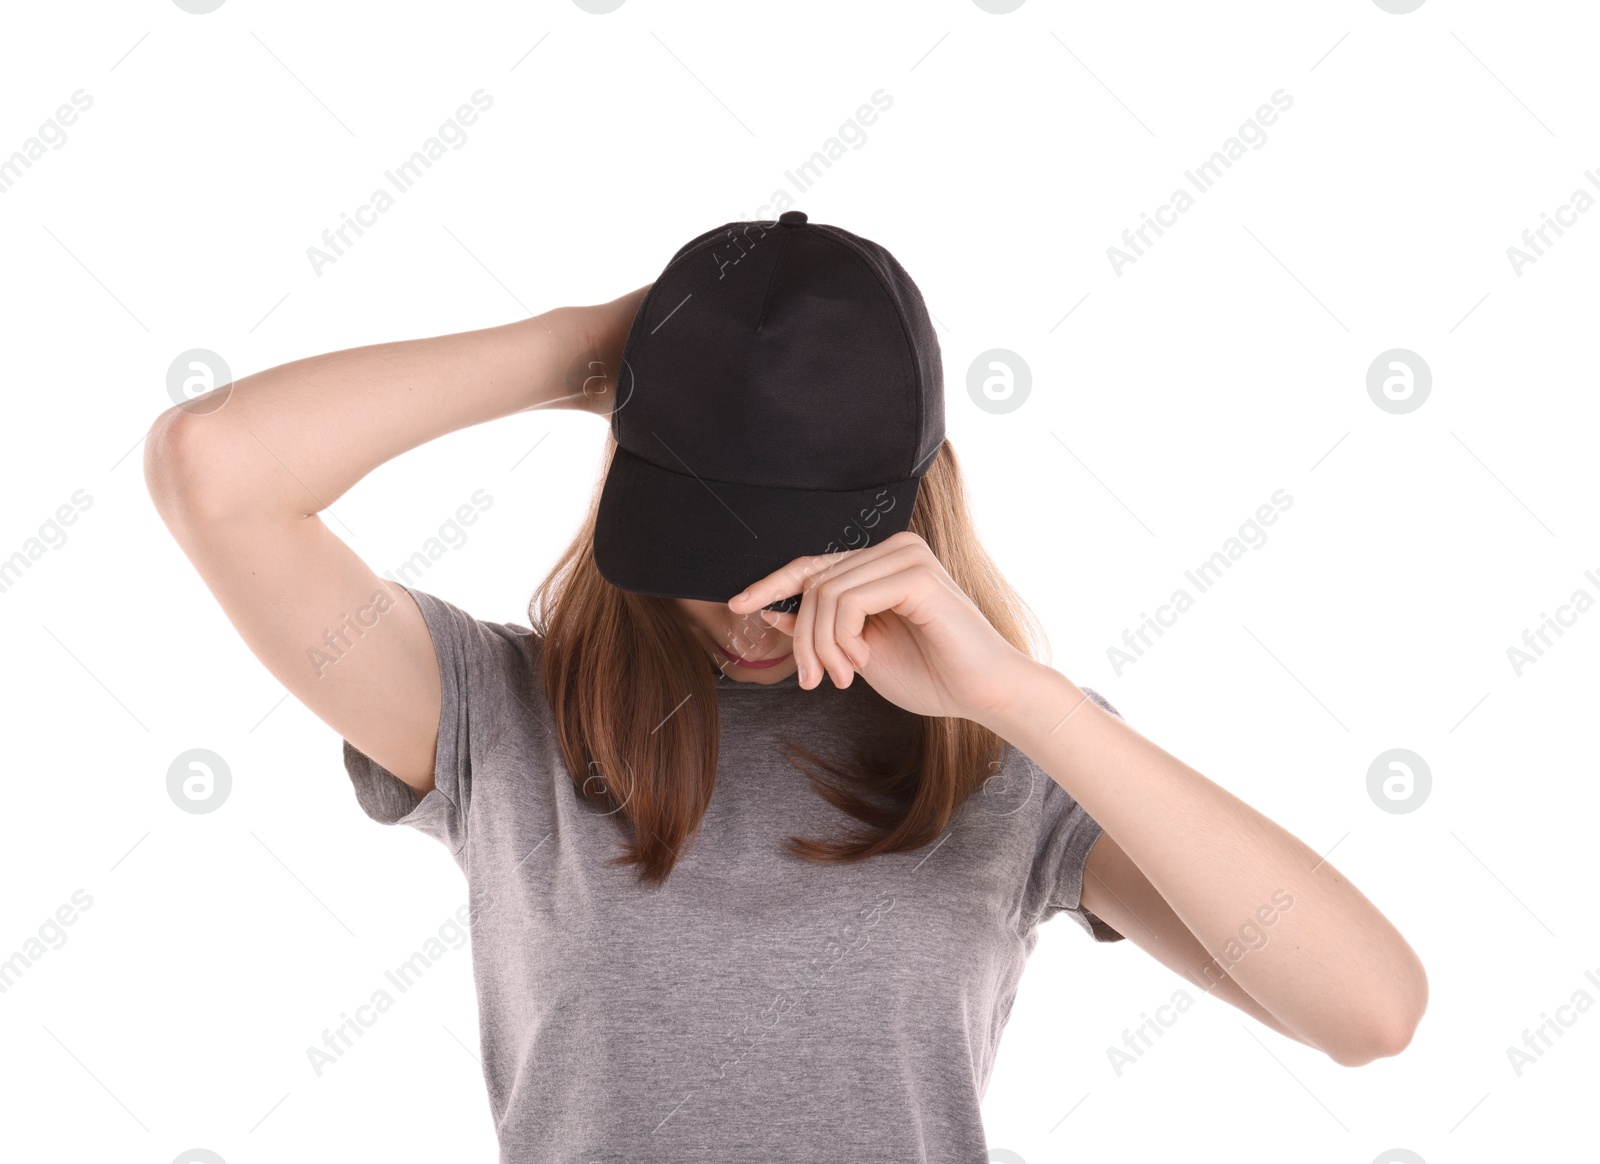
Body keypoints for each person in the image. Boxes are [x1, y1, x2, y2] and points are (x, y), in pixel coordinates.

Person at [144, 213, 1427, 1162]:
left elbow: (1369, 1014)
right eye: (711, 550)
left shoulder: (1001, 764)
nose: (749, 609)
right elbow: (214, 469)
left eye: (790, 558)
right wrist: (604, 351)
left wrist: (1023, 702)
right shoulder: (498, 718)